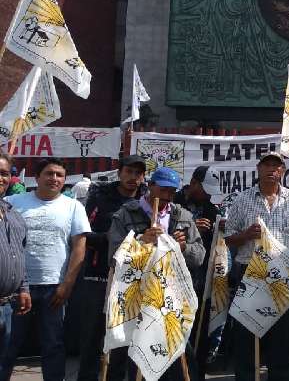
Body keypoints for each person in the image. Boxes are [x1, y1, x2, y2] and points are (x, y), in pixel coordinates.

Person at [106, 166, 205, 380]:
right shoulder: (126, 213)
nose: (168, 196)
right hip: (137, 296)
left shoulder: (183, 216)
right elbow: (114, 255)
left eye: (172, 191)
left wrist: (184, 247)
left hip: (172, 296)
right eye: (163, 190)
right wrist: (141, 242)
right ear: (150, 186)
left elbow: (199, 256)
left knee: (177, 350)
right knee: (135, 351)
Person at [224, 152, 289, 381]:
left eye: (276, 166)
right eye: (267, 165)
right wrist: (246, 235)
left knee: (282, 336)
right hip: (250, 273)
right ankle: (246, 377)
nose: (272, 169)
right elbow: (229, 239)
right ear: (258, 169)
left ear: (282, 171)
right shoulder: (242, 199)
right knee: (246, 334)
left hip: (282, 275)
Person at [0, 157, 90, 381]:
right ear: (37, 177)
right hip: (19, 289)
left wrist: (67, 284)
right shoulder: (13, 201)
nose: (54, 179)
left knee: (53, 345)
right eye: (49, 173)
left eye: (60, 175)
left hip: (54, 288)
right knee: (9, 344)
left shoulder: (73, 207)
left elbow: (79, 247)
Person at [76, 155, 147, 381]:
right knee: (93, 336)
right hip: (99, 277)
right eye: (129, 172)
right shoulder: (100, 197)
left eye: (138, 173)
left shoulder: (147, 201)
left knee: (122, 339)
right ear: (120, 173)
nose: (133, 178)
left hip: (132, 280)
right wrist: (111, 239)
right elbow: (84, 235)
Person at [173, 165, 222, 376]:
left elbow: (212, 246)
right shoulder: (174, 201)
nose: (208, 194)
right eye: (205, 188)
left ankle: (196, 373)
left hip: (199, 279)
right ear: (193, 183)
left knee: (197, 331)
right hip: (171, 277)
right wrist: (193, 227)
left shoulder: (211, 209)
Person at [0, 153, 30, 361]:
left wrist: (23, 288)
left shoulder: (14, 215)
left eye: (3, 173)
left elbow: (19, 254)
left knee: (4, 363)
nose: (0, 178)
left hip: (9, 307)